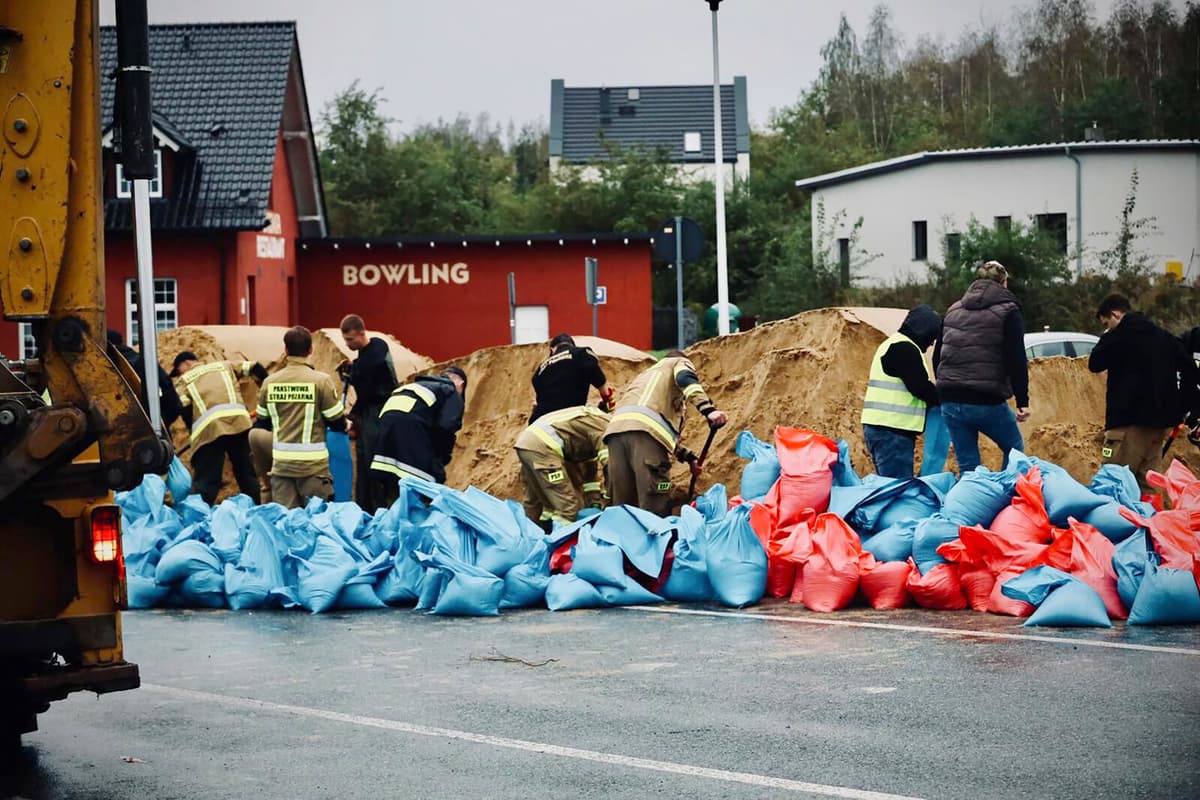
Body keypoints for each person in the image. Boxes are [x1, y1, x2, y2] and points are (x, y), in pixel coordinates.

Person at [1087, 295, 1200, 489]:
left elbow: (1094, 363)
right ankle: (1149, 518)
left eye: (1107, 323)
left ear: (1115, 314)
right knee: (1149, 486)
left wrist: (1108, 335)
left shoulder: (1119, 336)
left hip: (1126, 426)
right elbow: (1191, 370)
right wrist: (1183, 406)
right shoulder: (1164, 336)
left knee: (1113, 482)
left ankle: (1116, 519)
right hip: (1159, 428)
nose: (1107, 328)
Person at [933, 260, 1030, 474]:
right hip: (985, 400)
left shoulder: (953, 309)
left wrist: (945, 386)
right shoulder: (1009, 310)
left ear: (976, 282)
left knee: (968, 466)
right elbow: (1016, 357)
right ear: (1004, 283)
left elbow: (938, 356)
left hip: (949, 399)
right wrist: (1022, 401)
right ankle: (1005, 499)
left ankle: (973, 503)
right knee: (1015, 450)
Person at [603, 351, 727, 516]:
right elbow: (685, 379)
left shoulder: (645, 376)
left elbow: (657, 431)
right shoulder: (678, 362)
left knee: (623, 504)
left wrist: (689, 458)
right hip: (644, 434)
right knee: (655, 497)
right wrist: (708, 410)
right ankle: (658, 537)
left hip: (615, 433)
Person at [252, 326, 346, 509]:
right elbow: (336, 422)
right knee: (315, 524)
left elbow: (262, 421)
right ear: (310, 350)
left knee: (287, 525)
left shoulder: (270, 383)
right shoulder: (321, 381)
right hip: (313, 470)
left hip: (282, 468)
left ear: (286, 351)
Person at [172, 351, 267, 504]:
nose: (178, 375)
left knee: (207, 480)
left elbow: (184, 409)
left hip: (209, 431)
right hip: (239, 424)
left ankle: (197, 515)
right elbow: (255, 367)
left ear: (187, 364)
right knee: (246, 473)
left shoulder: (183, 381)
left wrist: (194, 432)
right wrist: (264, 390)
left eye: (177, 370)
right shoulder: (224, 366)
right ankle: (255, 509)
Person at [860, 305, 941, 478]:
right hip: (892, 432)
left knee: (890, 486)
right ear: (924, 331)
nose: (932, 343)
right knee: (897, 490)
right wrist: (947, 396)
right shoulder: (904, 348)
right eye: (931, 337)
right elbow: (920, 387)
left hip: (884, 429)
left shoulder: (894, 344)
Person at [369, 366, 467, 506]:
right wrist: (440, 460)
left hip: (384, 443)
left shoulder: (415, 386)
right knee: (422, 487)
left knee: (393, 487)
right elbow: (446, 427)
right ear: (460, 384)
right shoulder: (451, 391)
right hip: (410, 437)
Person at [514, 404, 610, 529]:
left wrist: (595, 502)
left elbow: (589, 473)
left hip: (527, 445)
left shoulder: (592, 422)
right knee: (567, 507)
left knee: (536, 501)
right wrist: (609, 501)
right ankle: (559, 543)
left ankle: (530, 538)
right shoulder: (607, 430)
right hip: (542, 448)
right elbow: (612, 470)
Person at [339, 314, 398, 512]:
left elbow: (368, 374)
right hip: (368, 413)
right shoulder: (364, 357)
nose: (347, 344)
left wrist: (353, 371)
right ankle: (364, 507)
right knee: (363, 464)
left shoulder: (377, 348)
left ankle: (379, 507)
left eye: (350, 339)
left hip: (380, 412)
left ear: (362, 333)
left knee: (375, 463)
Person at [107, 329, 183, 428]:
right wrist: (160, 423)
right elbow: (172, 399)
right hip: (152, 432)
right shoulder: (144, 361)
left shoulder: (106, 369)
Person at [531, 333, 613, 421]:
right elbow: (594, 372)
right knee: (606, 427)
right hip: (569, 418)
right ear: (572, 345)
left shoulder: (540, 369)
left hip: (539, 422)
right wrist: (606, 399)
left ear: (552, 349)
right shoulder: (581, 353)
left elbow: (540, 397)